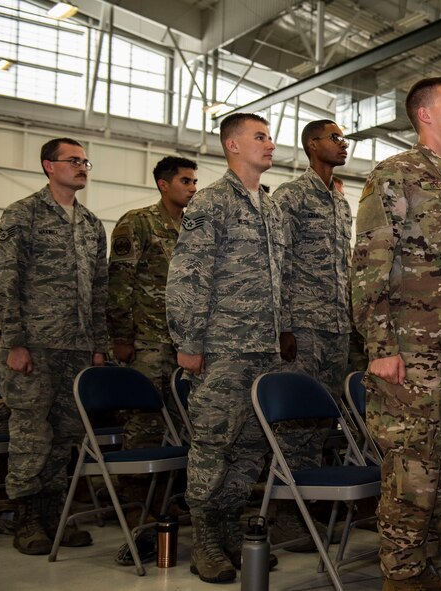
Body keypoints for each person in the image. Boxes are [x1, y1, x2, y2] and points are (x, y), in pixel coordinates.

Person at [351, 77, 441, 590]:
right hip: (410, 351)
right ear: (424, 115)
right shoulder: (395, 174)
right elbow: (369, 263)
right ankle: (400, 579)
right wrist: (380, 349)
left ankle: (423, 568)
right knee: (411, 475)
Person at [166, 113, 288, 583]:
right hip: (220, 347)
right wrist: (189, 341)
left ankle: (231, 527)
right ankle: (205, 541)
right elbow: (187, 275)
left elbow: (280, 283)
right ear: (232, 145)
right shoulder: (212, 202)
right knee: (213, 443)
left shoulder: (270, 208)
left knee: (252, 446)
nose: (269, 143)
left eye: (270, 136)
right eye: (259, 136)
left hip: (263, 348)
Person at [0, 137, 107, 555]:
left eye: (84, 161)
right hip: (34, 347)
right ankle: (25, 520)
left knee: (66, 436)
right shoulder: (24, 214)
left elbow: (99, 289)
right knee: (31, 434)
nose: (81, 167)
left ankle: (55, 516)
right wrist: (15, 341)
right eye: (72, 161)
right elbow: (5, 281)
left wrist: (98, 345)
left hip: (76, 349)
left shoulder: (92, 224)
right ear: (48, 166)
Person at [106, 155, 197, 563]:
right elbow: (120, 281)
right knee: (142, 425)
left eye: (195, 180)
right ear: (163, 184)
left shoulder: (193, 228)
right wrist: (122, 335)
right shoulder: (137, 222)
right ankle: (133, 509)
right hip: (146, 341)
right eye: (185, 180)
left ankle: (166, 504)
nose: (192, 187)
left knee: (179, 426)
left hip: (183, 344)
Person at [270, 120, 352, 546]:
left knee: (323, 422)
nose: (343, 145)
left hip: (335, 326)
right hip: (302, 325)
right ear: (311, 144)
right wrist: (283, 325)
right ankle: (285, 512)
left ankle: (308, 506)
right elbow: (277, 264)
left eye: (344, 139)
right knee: (295, 422)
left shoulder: (340, 203)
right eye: (335, 138)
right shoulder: (291, 196)